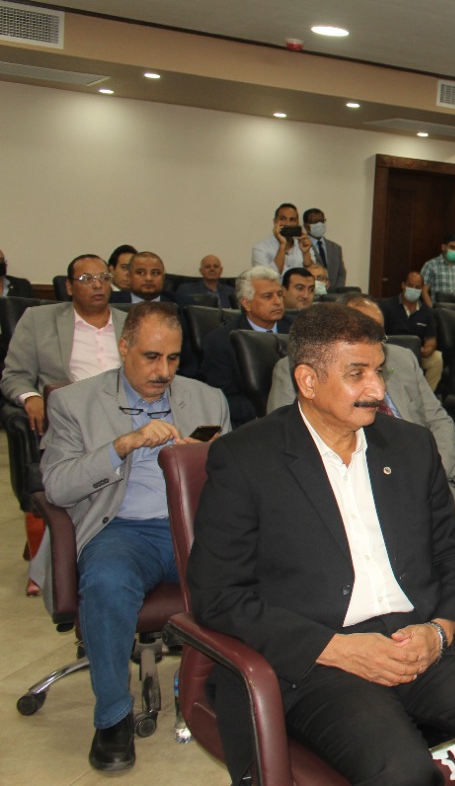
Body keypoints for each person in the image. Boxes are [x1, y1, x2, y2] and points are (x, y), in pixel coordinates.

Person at [188, 303, 455, 786]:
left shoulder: (410, 446)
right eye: (357, 374)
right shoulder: (246, 458)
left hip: (419, 640)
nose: (378, 389)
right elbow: (218, 594)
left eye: (379, 371)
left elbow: (451, 553)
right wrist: (335, 649)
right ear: (307, 380)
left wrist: (440, 630)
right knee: (402, 773)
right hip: (320, 660)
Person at [40, 303, 231, 771]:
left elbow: (239, 480)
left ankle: (212, 693)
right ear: (123, 348)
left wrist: (205, 460)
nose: (163, 371)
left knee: (264, 571)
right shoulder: (74, 403)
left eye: (173, 358)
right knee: (107, 583)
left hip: (194, 528)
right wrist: (122, 446)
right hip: (122, 530)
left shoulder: (208, 399)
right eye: (150, 357)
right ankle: (113, 718)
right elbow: (57, 486)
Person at [265, 293, 455, 595]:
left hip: (424, 474)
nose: (376, 387)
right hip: (350, 480)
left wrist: (432, 467)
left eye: (378, 332)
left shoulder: (403, 359)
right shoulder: (294, 369)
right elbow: (289, 442)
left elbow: (440, 420)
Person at [3, 255, 127, 435]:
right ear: (69, 286)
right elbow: (15, 376)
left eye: (104, 278)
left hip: (127, 413)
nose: (98, 285)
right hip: (71, 418)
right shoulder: (38, 320)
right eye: (87, 279)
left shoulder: (132, 323)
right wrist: (31, 398)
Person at [200, 266, 290, 427]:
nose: (277, 301)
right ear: (246, 303)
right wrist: (268, 412)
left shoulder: (299, 329)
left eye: (279, 294)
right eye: (267, 296)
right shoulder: (220, 342)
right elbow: (222, 397)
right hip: (251, 422)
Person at [379, 270, 443, 390]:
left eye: (417, 287)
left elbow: (431, 341)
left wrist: (427, 349)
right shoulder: (386, 306)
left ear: (422, 289)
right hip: (390, 355)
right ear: (403, 285)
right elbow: (379, 335)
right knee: (388, 366)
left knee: (437, 359)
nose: (413, 289)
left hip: (416, 354)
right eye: (410, 286)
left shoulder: (427, 312)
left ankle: (425, 395)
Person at [251, 203, 315, 275]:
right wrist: (282, 245)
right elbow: (266, 278)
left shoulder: (304, 245)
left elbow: (313, 275)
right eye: (283, 219)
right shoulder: (261, 248)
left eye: (292, 220)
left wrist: (306, 253)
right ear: (275, 221)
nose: (287, 224)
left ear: (297, 223)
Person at [420, 232, 455, 300]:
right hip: (439, 306)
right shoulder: (431, 265)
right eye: (452, 247)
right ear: (443, 247)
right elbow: (424, 291)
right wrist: (432, 306)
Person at [302, 207, 346, 288]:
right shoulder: (301, 247)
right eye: (315, 222)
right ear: (305, 225)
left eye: (321, 221)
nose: (319, 224)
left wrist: (337, 291)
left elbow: (341, 274)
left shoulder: (336, 248)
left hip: (334, 293)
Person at [109, 251, 176, 303]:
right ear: (129, 276)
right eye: (141, 272)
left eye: (155, 273)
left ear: (163, 277)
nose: (149, 278)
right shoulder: (110, 301)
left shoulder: (178, 303)